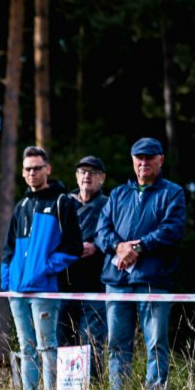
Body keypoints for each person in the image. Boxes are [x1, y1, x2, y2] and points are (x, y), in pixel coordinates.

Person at [96, 137, 186, 390]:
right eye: (139, 158)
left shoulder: (173, 192)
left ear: (160, 160)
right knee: (116, 343)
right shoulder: (118, 194)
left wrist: (138, 248)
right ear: (133, 161)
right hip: (117, 282)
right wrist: (119, 247)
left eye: (149, 157)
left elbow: (172, 230)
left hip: (153, 281)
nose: (144, 162)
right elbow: (102, 231)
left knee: (156, 343)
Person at [0, 146, 82, 390]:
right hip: (17, 290)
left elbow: (73, 247)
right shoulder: (22, 205)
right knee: (26, 347)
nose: (32, 172)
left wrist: (45, 269)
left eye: (37, 168)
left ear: (47, 169)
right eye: (27, 169)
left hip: (45, 288)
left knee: (47, 346)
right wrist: (8, 280)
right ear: (23, 173)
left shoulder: (62, 202)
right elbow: (8, 247)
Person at [58, 155, 109, 373]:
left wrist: (97, 247)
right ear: (76, 177)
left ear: (102, 178)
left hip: (95, 285)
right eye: (82, 172)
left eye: (92, 172)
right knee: (63, 343)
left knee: (90, 342)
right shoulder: (64, 203)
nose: (87, 176)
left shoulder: (109, 205)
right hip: (63, 284)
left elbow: (119, 237)